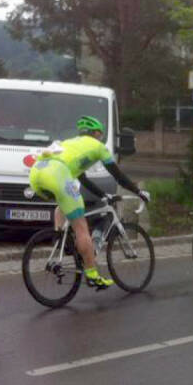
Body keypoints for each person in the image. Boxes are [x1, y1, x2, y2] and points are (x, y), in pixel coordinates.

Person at [28, 116, 149, 291]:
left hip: (37, 172)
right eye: (101, 134)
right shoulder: (99, 148)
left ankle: (60, 239)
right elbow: (118, 176)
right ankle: (92, 275)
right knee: (81, 227)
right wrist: (138, 191)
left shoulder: (71, 144)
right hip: (57, 173)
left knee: (62, 205)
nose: (101, 137)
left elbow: (82, 178)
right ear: (97, 133)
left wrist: (102, 195)